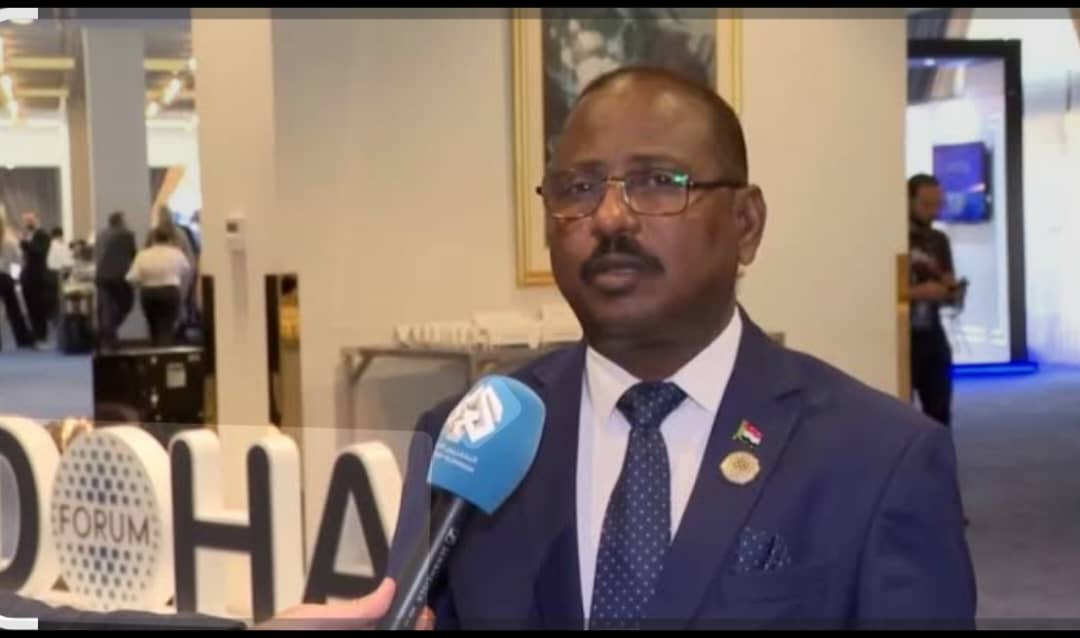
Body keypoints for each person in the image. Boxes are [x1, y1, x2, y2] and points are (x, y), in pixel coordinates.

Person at [281, 66, 976, 629]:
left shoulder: (878, 457)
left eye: (658, 183)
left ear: (746, 224)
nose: (610, 216)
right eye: (578, 189)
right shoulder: (468, 440)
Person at [907, 174, 963, 427]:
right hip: (902, 334)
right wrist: (918, 293)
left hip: (932, 333)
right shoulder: (895, 238)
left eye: (937, 204)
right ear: (909, 201)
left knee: (939, 412)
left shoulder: (939, 241)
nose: (933, 211)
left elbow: (948, 290)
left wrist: (950, 291)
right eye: (926, 204)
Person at [126, 226, 191, 346]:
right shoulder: (176, 253)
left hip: (148, 293)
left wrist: (142, 282)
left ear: (153, 239)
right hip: (170, 291)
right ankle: (165, 350)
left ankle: (155, 349)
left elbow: (131, 278)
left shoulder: (142, 255)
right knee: (167, 327)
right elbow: (186, 270)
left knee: (153, 326)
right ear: (169, 239)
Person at [95, 211, 137, 350]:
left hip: (101, 276)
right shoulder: (127, 234)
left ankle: (107, 334)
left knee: (106, 308)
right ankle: (109, 332)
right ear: (121, 222)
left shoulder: (101, 235)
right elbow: (133, 255)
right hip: (119, 277)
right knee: (126, 305)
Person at [0, 215, 34, 350]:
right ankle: (22, 339)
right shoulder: (10, 241)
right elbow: (18, 260)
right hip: (6, 278)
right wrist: (15, 278)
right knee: (14, 311)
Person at [18, 211, 51, 346]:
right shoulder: (28, 235)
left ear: (37, 220)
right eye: (26, 221)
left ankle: (42, 335)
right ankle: (35, 333)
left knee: (39, 307)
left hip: (38, 276)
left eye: (30, 220)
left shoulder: (43, 235)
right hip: (27, 276)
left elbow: (39, 252)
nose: (28, 223)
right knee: (30, 307)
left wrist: (25, 243)